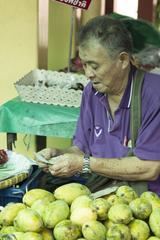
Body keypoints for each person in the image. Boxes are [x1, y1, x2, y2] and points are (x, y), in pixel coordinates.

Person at [35, 15, 160, 195]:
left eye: (94, 66)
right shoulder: (91, 93)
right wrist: (58, 154)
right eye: (84, 65)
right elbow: (81, 149)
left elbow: (149, 167)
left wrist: (85, 163)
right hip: (103, 196)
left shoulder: (154, 96)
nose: (88, 74)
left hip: (147, 201)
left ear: (123, 60)